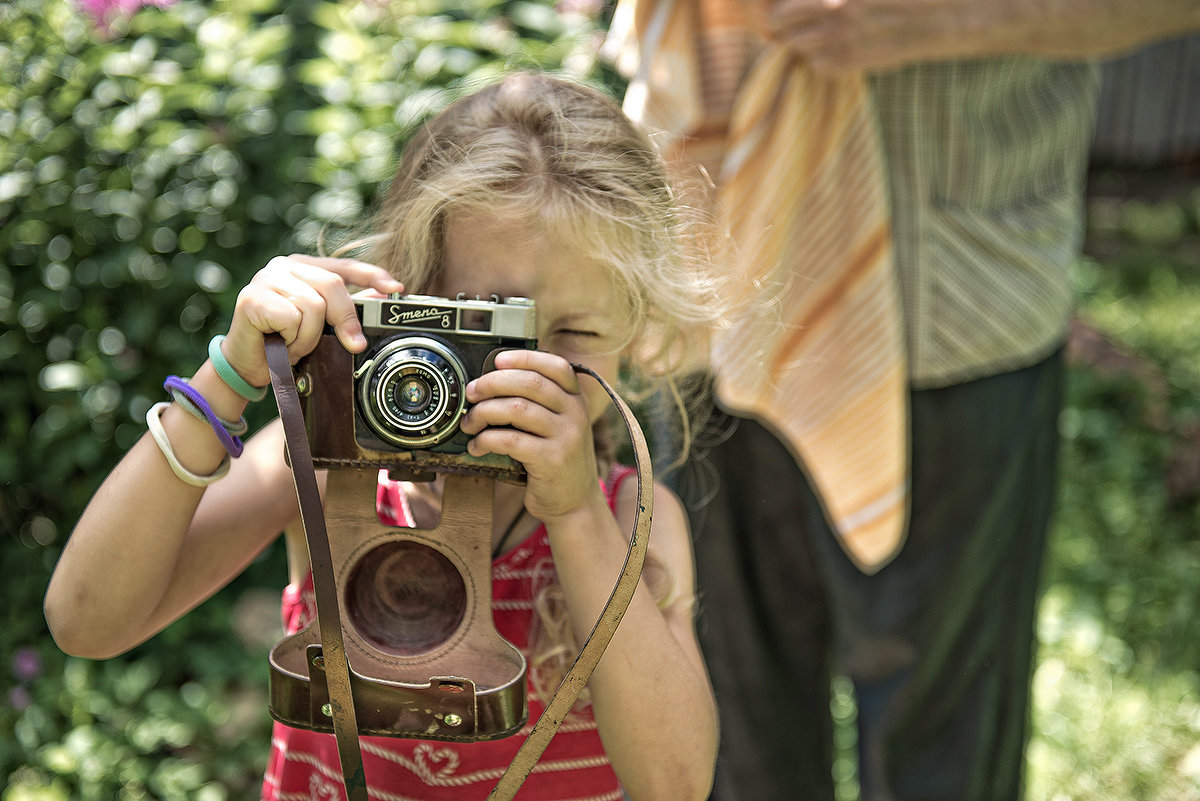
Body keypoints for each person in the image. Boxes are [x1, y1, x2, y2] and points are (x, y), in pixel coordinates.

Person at [43, 72, 720, 801]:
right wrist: (229, 376)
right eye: (488, 323)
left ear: (636, 328)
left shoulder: (627, 519)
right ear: (412, 298)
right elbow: (87, 620)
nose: (534, 367)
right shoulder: (325, 469)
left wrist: (577, 513)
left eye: (576, 333)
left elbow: (674, 784)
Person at [603, 1, 1200, 801]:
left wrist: (951, 18)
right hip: (706, 288)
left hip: (951, 308)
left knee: (941, 752)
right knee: (733, 738)